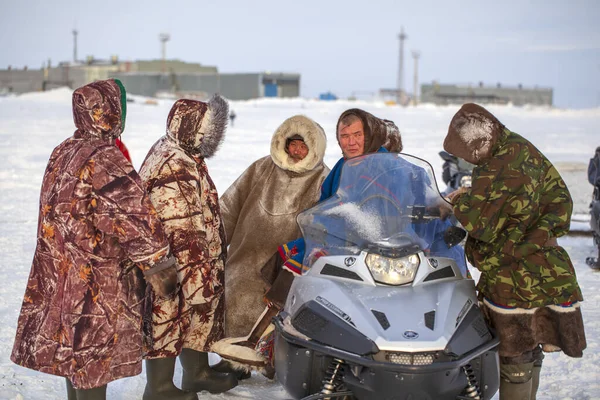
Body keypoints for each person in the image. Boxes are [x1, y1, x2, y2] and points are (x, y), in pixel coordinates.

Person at [10, 79, 176, 400]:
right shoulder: (106, 158)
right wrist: (160, 269)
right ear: (110, 112)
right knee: (91, 354)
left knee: (74, 354)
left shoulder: (63, 151)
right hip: (98, 281)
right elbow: (135, 218)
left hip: (61, 273)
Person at [444, 103, 586, 400]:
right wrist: (472, 196)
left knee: (515, 356)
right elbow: (527, 201)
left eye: (470, 154)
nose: (471, 161)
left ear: (481, 141)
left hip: (519, 278)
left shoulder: (499, 162)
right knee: (531, 353)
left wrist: (455, 203)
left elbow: (481, 221)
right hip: (548, 267)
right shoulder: (520, 148)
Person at [211, 115, 329, 375]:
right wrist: (214, 241)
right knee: (236, 303)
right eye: (292, 144)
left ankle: (271, 362)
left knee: (275, 313)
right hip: (245, 255)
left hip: (285, 261)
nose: (297, 151)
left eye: (303, 147)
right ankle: (233, 360)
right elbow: (229, 207)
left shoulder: (323, 179)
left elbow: (325, 222)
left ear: (314, 149)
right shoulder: (261, 168)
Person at [139, 96, 237, 399]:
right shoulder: (175, 165)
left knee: (190, 316)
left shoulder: (180, 152)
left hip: (183, 260)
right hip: (172, 264)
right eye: (208, 131)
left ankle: (196, 373)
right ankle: (159, 388)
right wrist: (199, 282)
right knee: (168, 316)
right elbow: (182, 232)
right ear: (195, 130)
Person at [280, 108, 402, 274]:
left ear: (369, 135)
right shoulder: (342, 165)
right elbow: (325, 201)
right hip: (337, 234)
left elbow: (406, 203)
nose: (351, 142)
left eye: (357, 135)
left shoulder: (388, 165)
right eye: (345, 136)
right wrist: (319, 224)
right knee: (287, 253)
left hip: (376, 243)